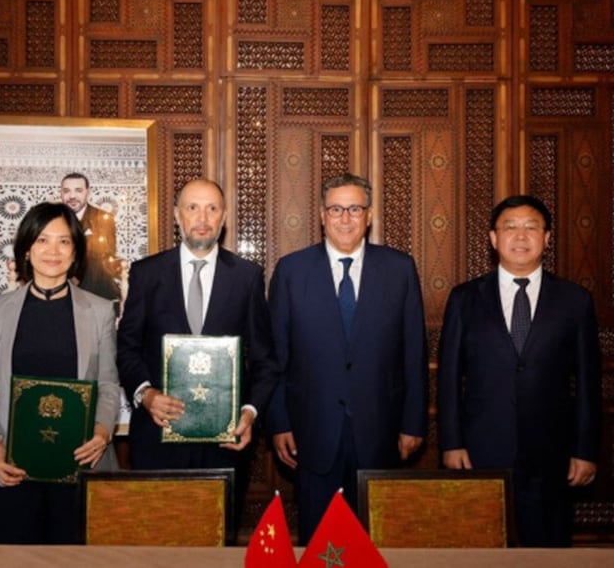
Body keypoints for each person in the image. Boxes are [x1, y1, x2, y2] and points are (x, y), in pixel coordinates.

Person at [267, 172, 427, 545]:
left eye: (355, 209)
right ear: (322, 215)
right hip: (312, 432)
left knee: (373, 542)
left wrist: (413, 423)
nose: (345, 218)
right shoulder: (292, 271)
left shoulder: (400, 269)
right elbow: (276, 356)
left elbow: (414, 352)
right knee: (320, 544)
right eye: (336, 209)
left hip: (381, 430)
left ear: (368, 216)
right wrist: (278, 423)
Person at [437, 194, 601, 547]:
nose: (521, 236)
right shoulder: (465, 298)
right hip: (482, 449)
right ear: (494, 239)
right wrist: (451, 442)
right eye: (509, 227)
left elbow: (589, 382)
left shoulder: (574, 301)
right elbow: (449, 377)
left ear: (547, 238)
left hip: (552, 452)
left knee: (548, 547)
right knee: (483, 546)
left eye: (531, 227)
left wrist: (585, 449)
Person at [0, 202, 121, 544]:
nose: (53, 251)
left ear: (76, 251)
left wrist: (100, 432)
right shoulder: (0, 309)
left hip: (82, 465)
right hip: (14, 467)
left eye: (64, 241)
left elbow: (109, 384)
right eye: (42, 240)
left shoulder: (99, 311)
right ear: (26, 249)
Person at [116, 179, 275, 474]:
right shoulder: (146, 274)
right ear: (178, 215)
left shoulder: (247, 277)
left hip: (225, 443)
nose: (202, 219)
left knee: (219, 522)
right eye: (193, 208)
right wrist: (145, 394)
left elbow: (264, 359)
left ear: (224, 217)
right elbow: (126, 348)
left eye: (212, 209)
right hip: (156, 438)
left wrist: (250, 412)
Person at [60, 172, 123, 303]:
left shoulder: (103, 219)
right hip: (60, 292)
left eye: (78, 190)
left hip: (96, 293)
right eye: (66, 191)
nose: (72, 196)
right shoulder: (53, 219)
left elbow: (104, 257)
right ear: (61, 193)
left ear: (88, 192)